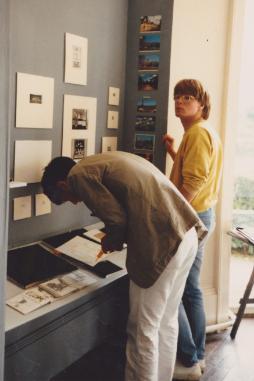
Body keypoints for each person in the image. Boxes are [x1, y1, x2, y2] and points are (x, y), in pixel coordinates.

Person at [41, 151, 207, 381]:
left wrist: (111, 240)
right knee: (165, 321)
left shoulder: (78, 175)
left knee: (142, 329)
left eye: (68, 198)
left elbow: (117, 220)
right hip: (184, 234)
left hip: (162, 242)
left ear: (62, 183)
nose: (75, 201)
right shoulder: (101, 160)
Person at [163, 79, 223, 380]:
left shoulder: (197, 133)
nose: (179, 102)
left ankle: (188, 358)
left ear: (201, 103)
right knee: (191, 289)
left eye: (187, 97)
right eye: (177, 97)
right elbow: (195, 172)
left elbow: (194, 182)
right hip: (203, 215)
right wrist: (175, 152)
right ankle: (196, 356)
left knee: (176, 290)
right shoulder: (200, 132)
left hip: (191, 218)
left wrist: (175, 213)